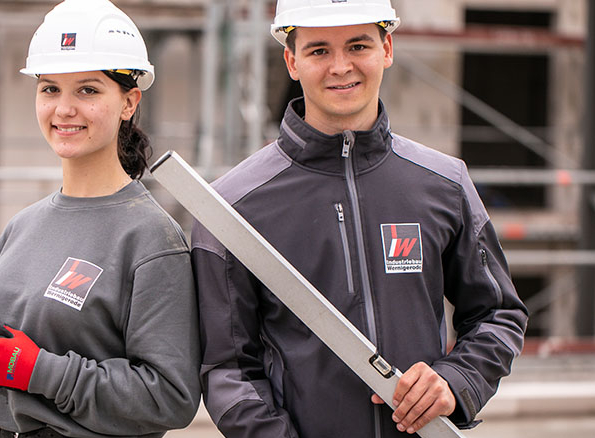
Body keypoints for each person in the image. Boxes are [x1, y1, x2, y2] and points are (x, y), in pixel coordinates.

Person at [191, 0, 528, 437]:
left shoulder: (445, 183)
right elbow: (228, 369)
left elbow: (498, 313)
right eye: (318, 51)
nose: (340, 66)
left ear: (387, 48)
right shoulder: (234, 206)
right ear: (291, 60)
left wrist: (455, 381)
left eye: (358, 45)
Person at [0, 1, 201, 437]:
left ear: (129, 102)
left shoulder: (151, 239)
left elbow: (168, 398)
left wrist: (40, 370)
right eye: (50, 89)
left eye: (88, 90)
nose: (63, 109)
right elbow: (12, 374)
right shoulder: (22, 227)